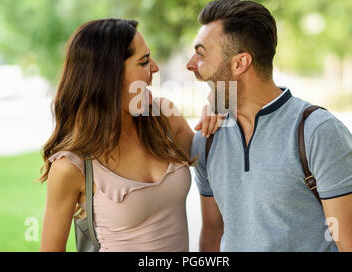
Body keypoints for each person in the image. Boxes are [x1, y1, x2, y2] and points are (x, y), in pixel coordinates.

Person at [187, 0, 352, 252]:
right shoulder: (207, 139)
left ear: (240, 63)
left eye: (200, 53)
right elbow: (212, 234)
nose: (191, 64)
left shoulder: (318, 132)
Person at [38, 18, 223, 252]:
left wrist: (218, 109)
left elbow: (217, 164)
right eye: (144, 61)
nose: (155, 68)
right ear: (109, 75)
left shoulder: (164, 119)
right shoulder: (71, 166)